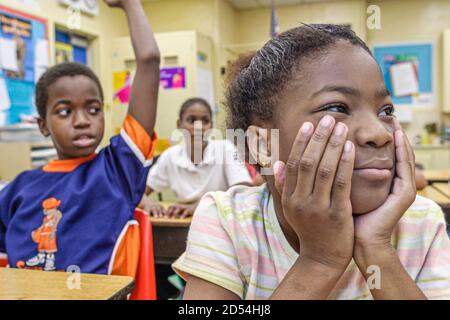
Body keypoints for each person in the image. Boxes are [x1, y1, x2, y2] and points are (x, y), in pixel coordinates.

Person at [173, 24, 450, 299]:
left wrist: (375, 248)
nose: (379, 133)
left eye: (386, 110)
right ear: (263, 145)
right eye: (337, 107)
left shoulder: (421, 221)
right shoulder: (227, 221)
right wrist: (320, 260)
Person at [0, 0, 160, 276]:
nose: (83, 120)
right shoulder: (17, 190)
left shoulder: (118, 169)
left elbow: (149, 59)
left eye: (93, 109)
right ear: (43, 126)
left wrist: (129, 4)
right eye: (64, 111)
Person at [140, 97, 252, 218]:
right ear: (179, 125)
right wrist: (149, 203)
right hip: (184, 221)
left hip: (221, 221)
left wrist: (199, 207)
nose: (199, 127)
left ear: (211, 126)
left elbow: (243, 192)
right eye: (191, 120)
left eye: (205, 121)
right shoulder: (171, 156)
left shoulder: (225, 149)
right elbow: (137, 192)